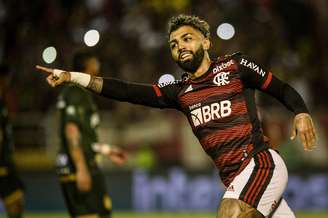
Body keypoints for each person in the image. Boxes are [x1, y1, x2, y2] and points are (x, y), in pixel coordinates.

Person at [37, 14, 316, 218]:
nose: (179, 46)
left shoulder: (235, 66)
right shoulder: (180, 91)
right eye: (173, 44)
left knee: (229, 213)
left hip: (261, 164)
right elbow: (125, 91)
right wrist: (72, 76)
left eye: (187, 38)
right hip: (234, 178)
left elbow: (280, 88)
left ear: (206, 42)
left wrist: (301, 111)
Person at [54, 52, 127, 218]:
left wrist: (107, 150)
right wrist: (81, 169)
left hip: (84, 164)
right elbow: (71, 131)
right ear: (87, 66)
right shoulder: (76, 93)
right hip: (79, 167)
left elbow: (85, 138)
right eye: (96, 62)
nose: (98, 66)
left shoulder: (79, 93)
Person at [0, 64, 24, 218]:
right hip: (2, 162)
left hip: (5, 160)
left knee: (16, 202)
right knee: (15, 204)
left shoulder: (2, 102)